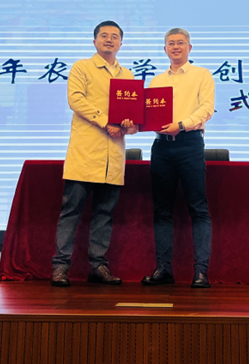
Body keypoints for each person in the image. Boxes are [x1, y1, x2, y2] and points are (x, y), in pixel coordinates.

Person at [51, 21, 137, 287]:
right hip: (86, 152)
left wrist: (131, 124)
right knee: (71, 212)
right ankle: (60, 266)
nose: (109, 40)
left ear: (121, 43)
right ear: (94, 41)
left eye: (115, 36)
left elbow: (132, 115)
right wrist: (106, 121)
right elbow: (76, 100)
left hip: (114, 154)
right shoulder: (82, 67)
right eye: (104, 36)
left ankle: (98, 266)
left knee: (104, 213)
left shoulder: (128, 75)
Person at [142, 28, 216, 289]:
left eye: (181, 43)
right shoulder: (156, 81)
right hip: (161, 147)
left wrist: (182, 125)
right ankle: (163, 269)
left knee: (198, 208)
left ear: (189, 48)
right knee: (162, 210)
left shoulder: (202, 75)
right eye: (171, 43)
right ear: (165, 49)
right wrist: (133, 121)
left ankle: (201, 272)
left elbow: (206, 109)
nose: (176, 47)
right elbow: (148, 115)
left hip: (190, 144)